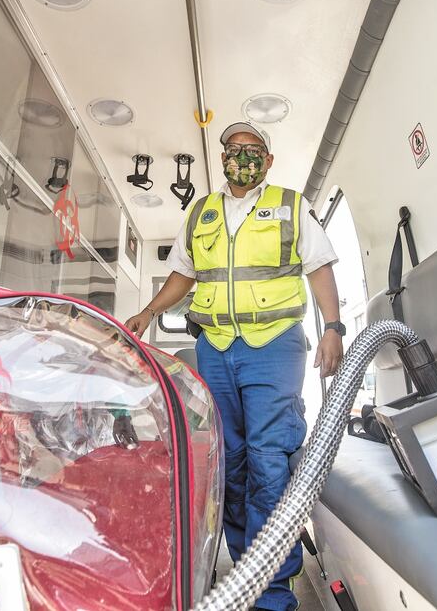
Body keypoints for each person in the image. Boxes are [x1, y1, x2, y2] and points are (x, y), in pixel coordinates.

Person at [125, 122, 343, 611]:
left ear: (267, 161)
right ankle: (246, 568)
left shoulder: (290, 205)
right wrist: (150, 311)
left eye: (252, 149)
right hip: (217, 347)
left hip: (273, 344)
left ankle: (274, 587)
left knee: (270, 458)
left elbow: (319, 266)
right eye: (233, 149)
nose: (241, 156)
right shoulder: (200, 212)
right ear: (221, 158)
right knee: (231, 460)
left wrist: (333, 326)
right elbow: (184, 273)